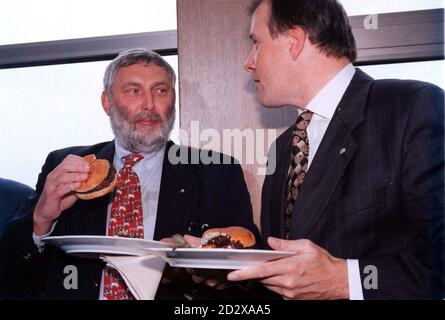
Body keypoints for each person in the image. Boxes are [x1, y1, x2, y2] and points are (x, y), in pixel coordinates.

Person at [226, 0, 444, 300]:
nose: (249, 62)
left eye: (256, 43)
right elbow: (288, 270)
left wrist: (348, 279)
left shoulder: (410, 109)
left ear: (294, 41)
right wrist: (226, 265)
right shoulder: (282, 148)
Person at [0, 48, 260, 300]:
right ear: (107, 102)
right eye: (133, 91)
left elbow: (249, 275)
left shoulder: (217, 172)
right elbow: (12, 277)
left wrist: (212, 269)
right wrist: (41, 218)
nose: (149, 104)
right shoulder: (66, 167)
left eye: (160, 90)